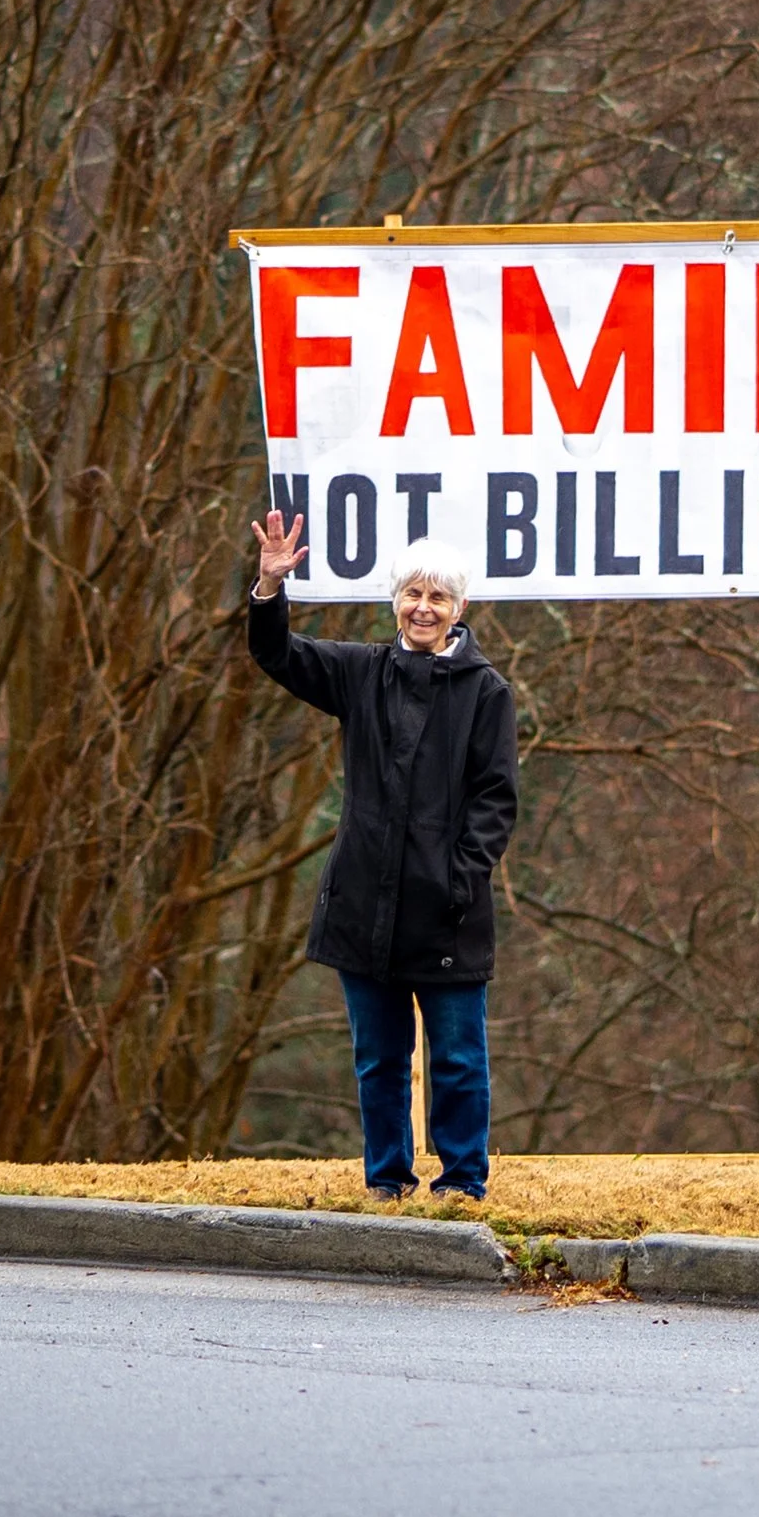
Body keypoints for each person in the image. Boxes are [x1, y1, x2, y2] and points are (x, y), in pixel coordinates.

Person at [246, 511, 519, 1201]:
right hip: (363, 906)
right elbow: (280, 655)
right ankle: (386, 1181)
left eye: (438, 597)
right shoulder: (362, 672)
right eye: (412, 594)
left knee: (459, 1060)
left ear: (458, 609)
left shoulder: (487, 691)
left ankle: (461, 1184)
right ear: (395, 600)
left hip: (449, 914)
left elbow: (496, 799)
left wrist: (459, 879)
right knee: (380, 1061)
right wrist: (269, 590)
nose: (423, 607)